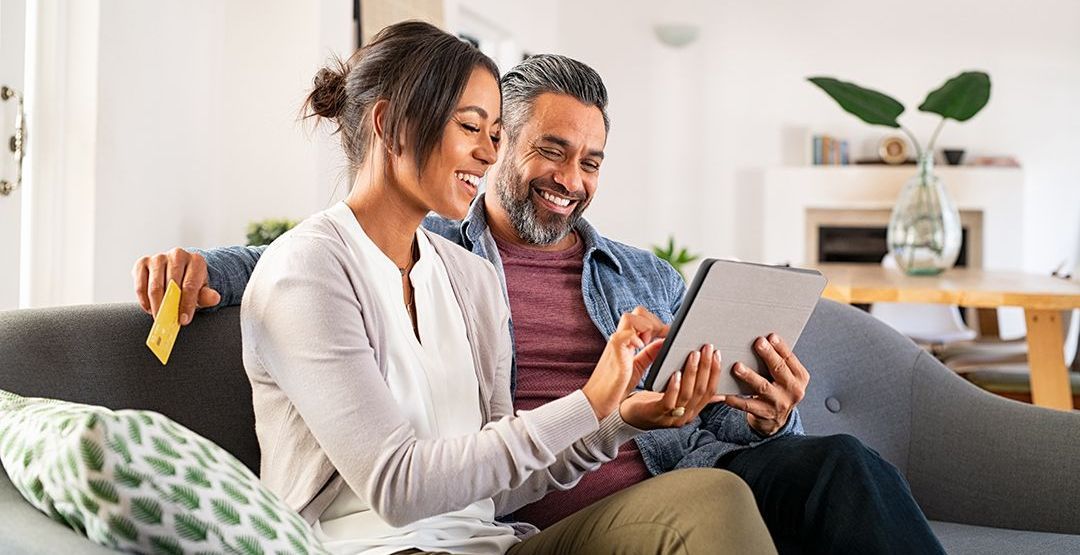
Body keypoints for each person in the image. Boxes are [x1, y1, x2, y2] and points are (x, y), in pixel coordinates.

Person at [134, 47, 944, 553]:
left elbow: (706, 417)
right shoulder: (436, 244)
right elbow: (302, 259)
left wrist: (761, 411)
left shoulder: (631, 275)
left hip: (627, 485)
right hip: (537, 511)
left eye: (591, 159)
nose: (571, 178)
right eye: (546, 148)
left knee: (837, 464)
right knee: (718, 500)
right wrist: (202, 269)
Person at [201, 20, 774, 555]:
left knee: (712, 496)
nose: (489, 151)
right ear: (389, 125)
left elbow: (501, 491)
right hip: (369, 548)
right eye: (470, 127)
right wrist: (589, 401)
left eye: (496, 133)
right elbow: (396, 488)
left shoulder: (469, 276)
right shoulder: (307, 272)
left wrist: (621, 418)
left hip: (490, 542)